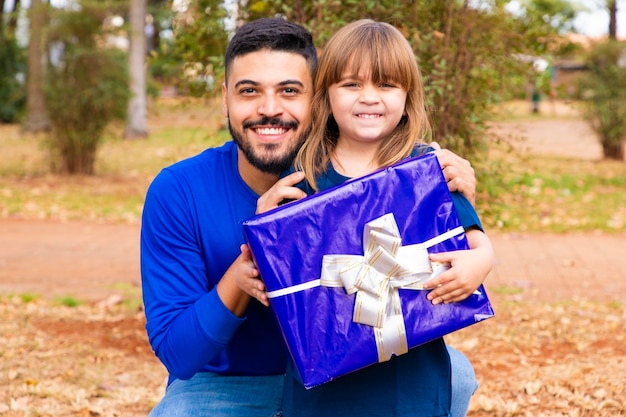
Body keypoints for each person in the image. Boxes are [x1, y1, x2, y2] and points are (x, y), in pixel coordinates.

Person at [141, 17, 478, 417]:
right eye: (249, 91)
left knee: (456, 373)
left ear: (318, 97)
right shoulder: (179, 190)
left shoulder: (378, 179)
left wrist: (447, 201)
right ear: (225, 97)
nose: (269, 109)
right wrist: (247, 263)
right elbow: (179, 355)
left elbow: (447, 253)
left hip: (350, 370)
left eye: (289, 91)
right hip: (236, 383)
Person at [245, 19, 494, 417]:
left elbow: (476, 241)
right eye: (351, 84)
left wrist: (481, 261)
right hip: (325, 389)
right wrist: (266, 232)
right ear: (326, 93)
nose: (369, 98)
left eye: (386, 85)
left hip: (410, 380)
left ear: (407, 94)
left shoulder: (428, 167)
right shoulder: (303, 173)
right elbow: (280, 269)